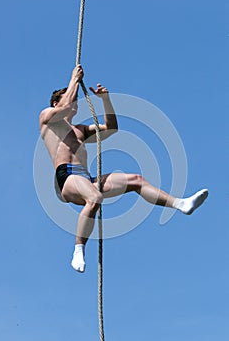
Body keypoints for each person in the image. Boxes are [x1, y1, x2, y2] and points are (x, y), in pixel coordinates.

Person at [39, 64, 208, 273]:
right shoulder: (47, 118)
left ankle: (180, 204)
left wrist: (105, 101)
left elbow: (111, 128)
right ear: (57, 102)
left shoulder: (80, 130)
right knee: (94, 198)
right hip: (67, 176)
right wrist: (74, 79)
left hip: (86, 177)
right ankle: (78, 250)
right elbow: (63, 109)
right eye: (70, 97)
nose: (75, 101)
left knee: (136, 180)